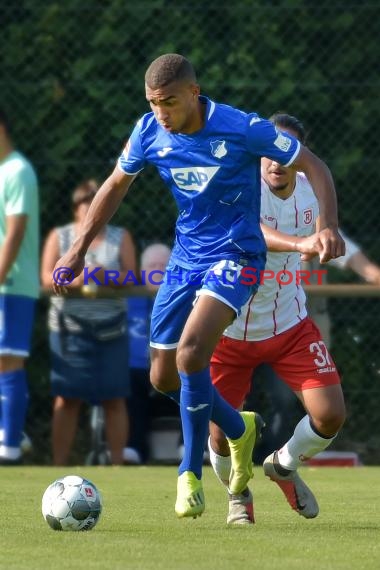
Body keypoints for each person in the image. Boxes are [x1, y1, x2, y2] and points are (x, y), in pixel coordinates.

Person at [51, 54, 344, 518]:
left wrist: (328, 226)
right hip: (186, 259)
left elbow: (315, 165)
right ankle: (238, 428)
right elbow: (114, 185)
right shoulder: (149, 130)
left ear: (194, 92)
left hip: (237, 255)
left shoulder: (241, 127)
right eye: (152, 103)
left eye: (168, 101)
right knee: (162, 376)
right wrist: (78, 248)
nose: (160, 112)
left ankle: (188, 475)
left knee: (190, 355)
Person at [208, 112, 347, 524]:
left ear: (297, 157)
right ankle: (238, 493)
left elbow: (333, 235)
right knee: (218, 437)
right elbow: (252, 232)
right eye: (267, 151)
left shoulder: (310, 192)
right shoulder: (241, 186)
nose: (274, 160)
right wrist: (302, 242)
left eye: (283, 152)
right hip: (230, 328)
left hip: (290, 326)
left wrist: (331, 236)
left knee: (330, 414)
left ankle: (283, 465)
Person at [41, 179, 137, 465]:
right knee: (67, 399)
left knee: (115, 399)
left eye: (99, 203)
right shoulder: (60, 236)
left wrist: (104, 276)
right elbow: (47, 278)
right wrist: (77, 280)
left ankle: (117, 466)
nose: (93, 209)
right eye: (87, 204)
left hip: (112, 329)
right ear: (76, 209)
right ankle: (58, 464)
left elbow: (132, 276)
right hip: (68, 330)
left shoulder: (121, 237)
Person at [0, 108, 39, 465]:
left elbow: (15, 231)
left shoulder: (17, 170)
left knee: (7, 360)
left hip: (10, 285)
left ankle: (8, 448)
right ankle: (12, 434)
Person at [123, 242, 172, 465]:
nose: (158, 270)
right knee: (130, 384)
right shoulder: (129, 297)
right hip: (137, 369)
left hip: (173, 368)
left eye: (164, 265)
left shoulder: (184, 297)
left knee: (192, 378)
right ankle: (133, 448)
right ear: (142, 271)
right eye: (153, 265)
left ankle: (187, 446)